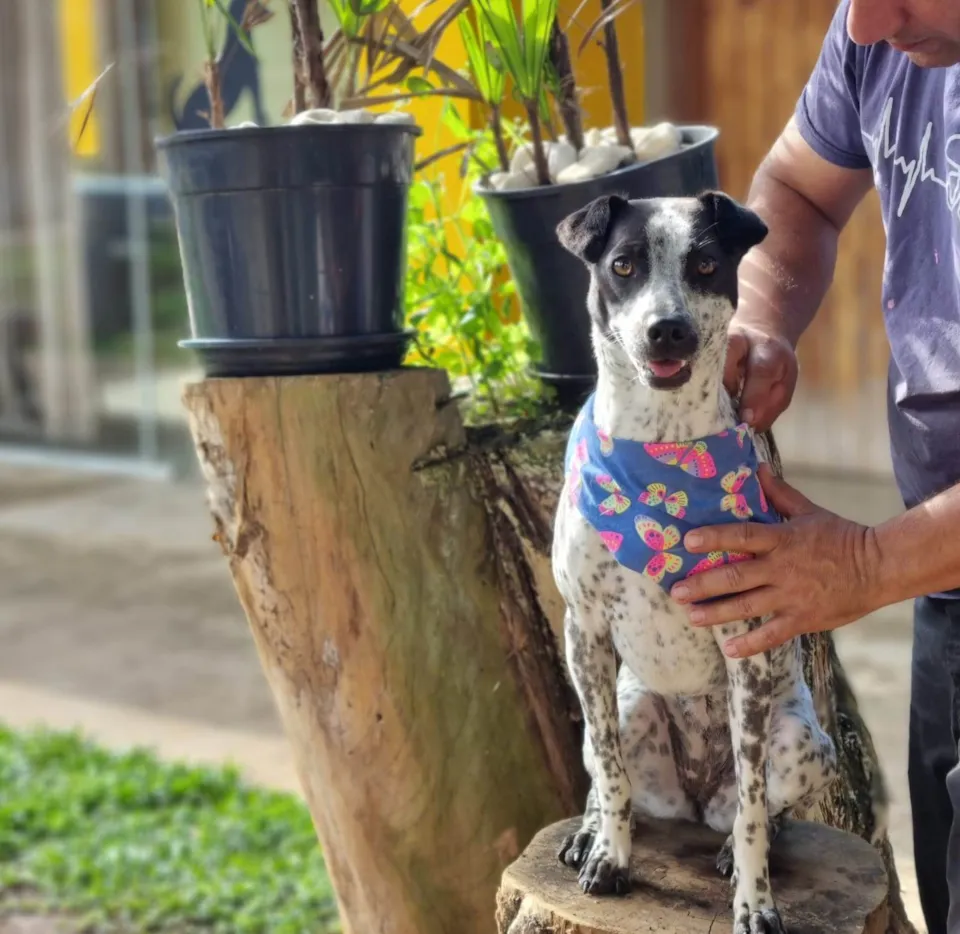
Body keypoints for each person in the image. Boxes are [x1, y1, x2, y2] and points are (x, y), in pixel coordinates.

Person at [664, 2, 960, 932]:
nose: (866, 24)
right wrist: (762, 317)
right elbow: (799, 187)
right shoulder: (883, 32)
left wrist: (869, 563)